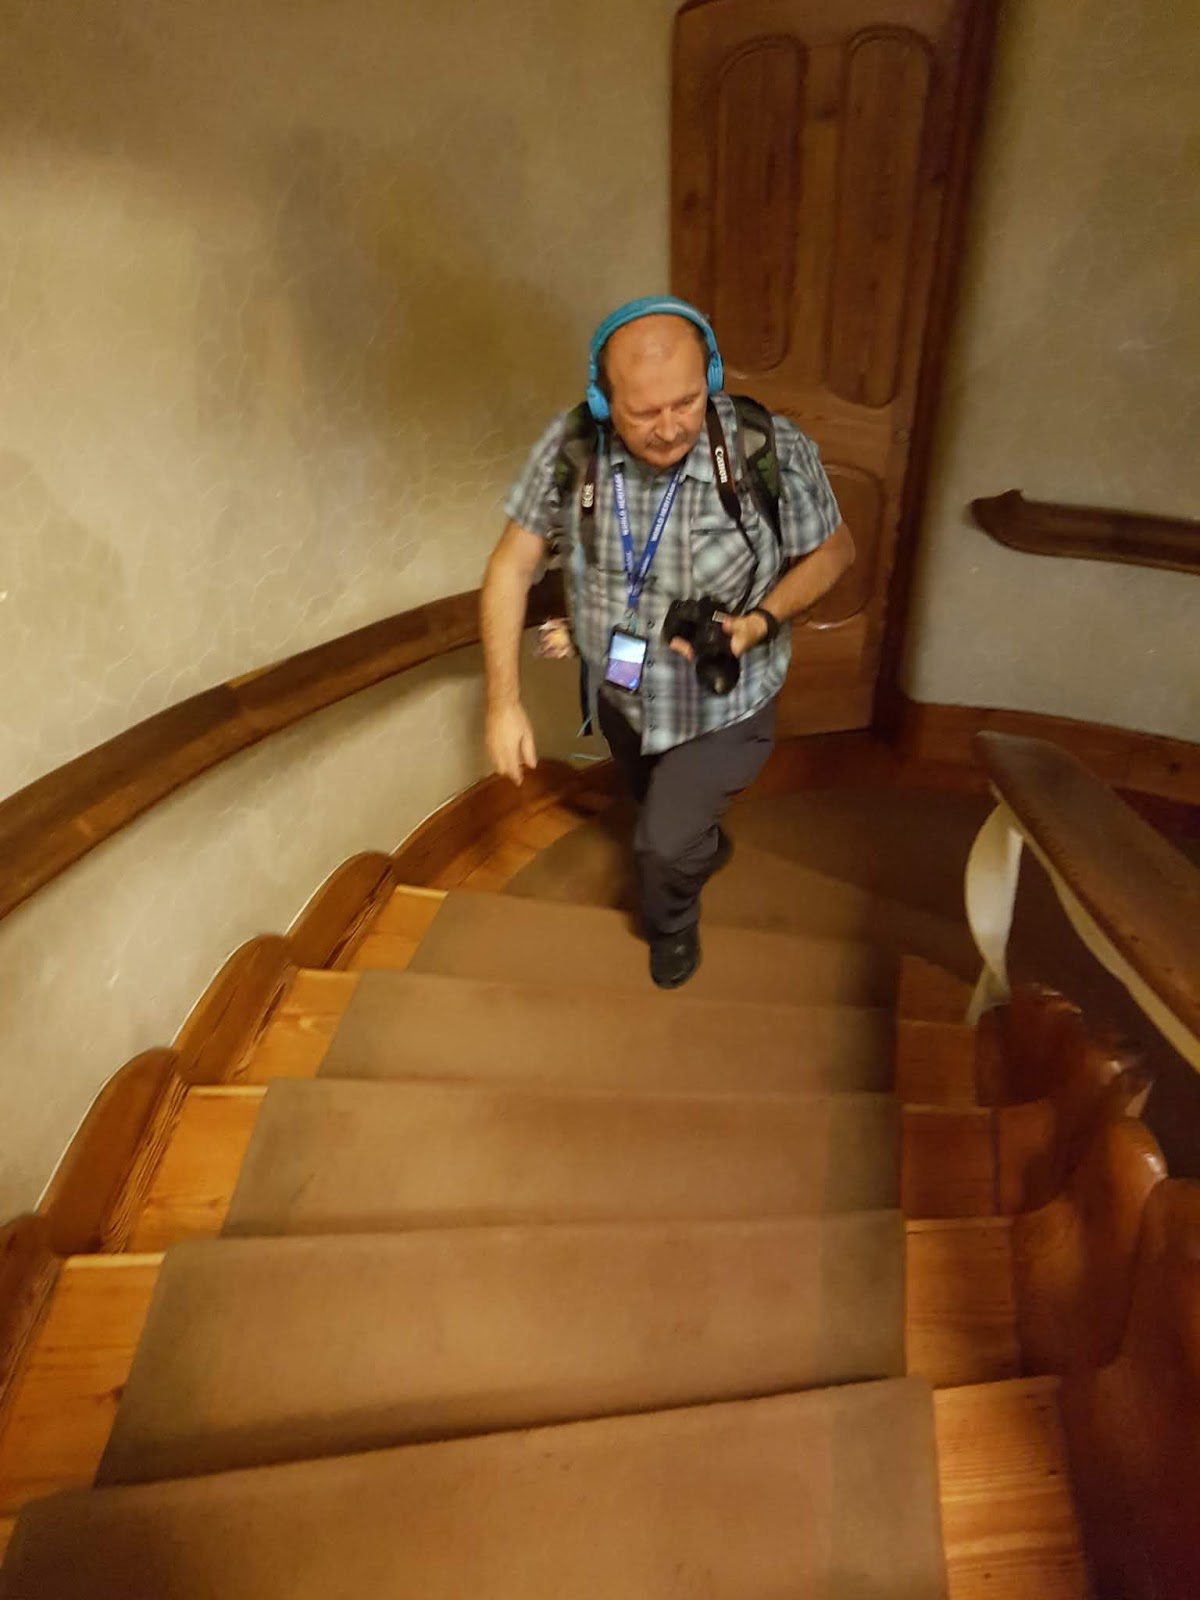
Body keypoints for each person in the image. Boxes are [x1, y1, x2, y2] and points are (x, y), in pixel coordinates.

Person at [481, 296, 854, 988]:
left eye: (686, 401)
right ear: (603, 401)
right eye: (644, 412)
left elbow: (835, 552)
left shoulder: (764, 446)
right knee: (653, 805)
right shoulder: (570, 447)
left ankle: (673, 921)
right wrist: (502, 703)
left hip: (725, 701)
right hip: (621, 691)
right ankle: (694, 843)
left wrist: (761, 620)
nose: (670, 427)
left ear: (709, 377)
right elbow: (510, 566)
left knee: (659, 846)